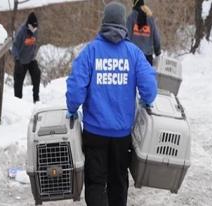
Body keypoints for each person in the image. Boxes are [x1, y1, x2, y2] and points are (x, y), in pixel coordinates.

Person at [65, 2, 157, 206]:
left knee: (96, 182)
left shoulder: (90, 52)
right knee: (118, 181)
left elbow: (76, 89)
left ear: (104, 22)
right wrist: (146, 101)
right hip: (121, 133)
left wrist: (72, 110)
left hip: (94, 132)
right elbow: (149, 87)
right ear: (123, 24)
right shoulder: (133, 53)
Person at [12, 11, 41, 103]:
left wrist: (33, 55)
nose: (35, 29)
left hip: (31, 60)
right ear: (29, 25)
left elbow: (35, 44)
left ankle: (36, 98)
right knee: (18, 84)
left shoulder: (35, 30)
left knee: (37, 74)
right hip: (20, 61)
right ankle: (18, 102)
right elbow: (14, 46)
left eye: (36, 27)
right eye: (33, 27)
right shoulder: (21, 32)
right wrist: (17, 59)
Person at [127, 0, 161, 65]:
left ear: (134, 4)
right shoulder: (150, 18)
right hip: (147, 57)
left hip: (133, 56)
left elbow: (126, 37)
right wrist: (157, 53)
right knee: (146, 75)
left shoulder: (130, 18)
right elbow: (156, 38)